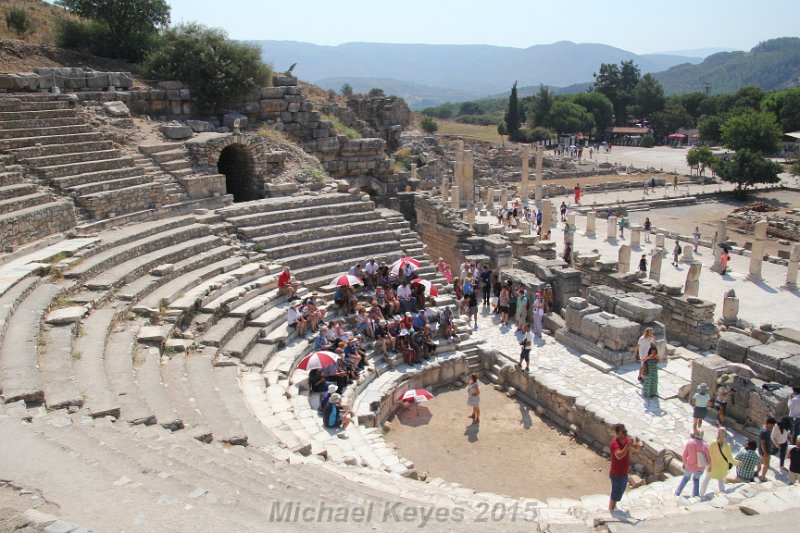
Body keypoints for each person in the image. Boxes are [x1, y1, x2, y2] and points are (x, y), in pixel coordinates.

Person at [608, 423, 641, 512]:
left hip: (624, 472)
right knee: (615, 493)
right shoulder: (615, 444)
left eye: (626, 431)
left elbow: (637, 449)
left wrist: (637, 443)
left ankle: (613, 507)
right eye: (624, 432)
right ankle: (611, 509)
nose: (626, 433)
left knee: (620, 491)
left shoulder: (626, 441)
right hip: (616, 473)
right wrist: (628, 446)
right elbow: (619, 456)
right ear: (618, 433)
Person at [701, 427, 739, 496]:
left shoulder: (713, 443)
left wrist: (708, 465)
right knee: (720, 481)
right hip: (722, 468)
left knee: (706, 480)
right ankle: (723, 495)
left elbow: (708, 455)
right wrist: (737, 463)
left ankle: (701, 494)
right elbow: (730, 459)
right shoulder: (727, 446)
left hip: (713, 466)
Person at [675, 430, 711, 497]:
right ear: (702, 435)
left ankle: (677, 492)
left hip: (689, 466)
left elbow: (684, 455)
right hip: (700, 468)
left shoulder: (690, 443)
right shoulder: (704, 445)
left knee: (685, 478)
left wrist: (685, 463)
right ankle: (695, 495)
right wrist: (710, 465)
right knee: (696, 480)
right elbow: (708, 457)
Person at [758, 417, 777, 481]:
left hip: (763, 450)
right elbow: (762, 443)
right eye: (773, 425)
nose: (773, 426)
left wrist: (772, 443)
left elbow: (766, 439)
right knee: (767, 465)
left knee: (763, 461)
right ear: (769, 424)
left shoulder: (764, 427)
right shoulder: (765, 432)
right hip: (764, 451)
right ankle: (762, 477)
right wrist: (766, 453)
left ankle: (758, 470)